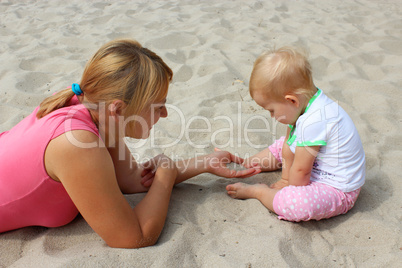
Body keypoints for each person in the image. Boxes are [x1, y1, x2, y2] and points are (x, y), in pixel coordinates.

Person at [0, 39, 260, 248]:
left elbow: (130, 180)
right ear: (119, 109)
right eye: (158, 106)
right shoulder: (77, 143)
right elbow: (132, 238)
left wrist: (202, 163)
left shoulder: (95, 108)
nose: (165, 114)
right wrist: (165, 179)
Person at [226, 47, 365, 222]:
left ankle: (259, 192)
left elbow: (301, 171)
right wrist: (285, 176)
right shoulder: (306, 103)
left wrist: (287, 187)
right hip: (317, 163)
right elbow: (287, 145)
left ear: (291, 100)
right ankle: (247, 164)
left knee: (297, 204)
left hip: (339, 189)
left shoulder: (315, 120)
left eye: (272, 110)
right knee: (283, 145)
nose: (272, 116)